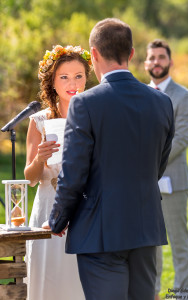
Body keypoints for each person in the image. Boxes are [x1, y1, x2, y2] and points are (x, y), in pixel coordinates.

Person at [49, 18, 174, 300]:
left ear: (93, 54)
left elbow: (74, 173)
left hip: (100, 231)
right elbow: (158, 165)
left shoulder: (84, 103)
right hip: (145, 227)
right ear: (131, 54)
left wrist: (57, 219)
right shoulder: (162, 102)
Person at [24, 44, 91, 300]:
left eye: (78, 76)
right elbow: (30, 179)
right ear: (52, 82)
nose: (72, 83)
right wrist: (40, 158)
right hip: (47, 208)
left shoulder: (93, 116)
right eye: (64, 77)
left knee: (78, 281)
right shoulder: (38, 121)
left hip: (83, 208)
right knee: (47, 279)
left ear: (86, 78)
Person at [144, 39, 188, 299]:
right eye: (152, 57)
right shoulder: (139, 94)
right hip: (143, 184)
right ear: (145, 63)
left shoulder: (185, 96)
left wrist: (145, 164)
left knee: (179, 243)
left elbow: (181, 140)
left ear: (170, 62)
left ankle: (183, 294)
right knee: (150, 245)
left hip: (172, 182)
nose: (156, 62)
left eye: (161, 57)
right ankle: (152, 293)